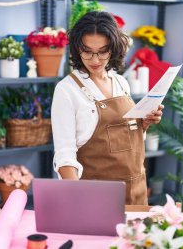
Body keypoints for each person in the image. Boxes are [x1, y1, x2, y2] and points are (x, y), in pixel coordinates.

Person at [51, 11, 164, 205]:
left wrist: (143, 124)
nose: (95, 60)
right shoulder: (66, 90)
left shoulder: (120, 82)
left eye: (102, 51)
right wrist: (77, 200)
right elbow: (64, 156)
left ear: (113, 49)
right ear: (77, 49)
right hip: (96, 197)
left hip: (136, 191)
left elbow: (125, 138)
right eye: (87, 51)